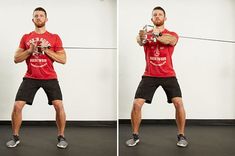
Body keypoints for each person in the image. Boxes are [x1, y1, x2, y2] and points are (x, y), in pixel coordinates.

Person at [126, 6, 188, 147]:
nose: (158, 16)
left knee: (178, 103)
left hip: (168, 75)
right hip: (149, 75)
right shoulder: (147, 34)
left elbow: (170, 41)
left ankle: (181, 136)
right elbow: (139, 40)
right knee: (136, 104)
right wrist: (142, 37)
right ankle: (135, 136)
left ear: (165, 18)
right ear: (152, 19)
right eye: (155, 15)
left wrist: (157, 34)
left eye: (160, 14)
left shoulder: (171, 34)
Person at [6, 7, 68, 149]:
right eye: (36, 16)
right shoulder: (26, 37)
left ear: (46, 19)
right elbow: (16, 59)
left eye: (41, 16)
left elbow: (63, 59)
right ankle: (15, 137)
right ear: (32, 19)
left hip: (49, 77)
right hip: (31, 77)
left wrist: (46, 50)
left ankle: (61, 136)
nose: (39, 18)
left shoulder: (54, 37)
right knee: (17, 106)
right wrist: (29, 50)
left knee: (59, 105)